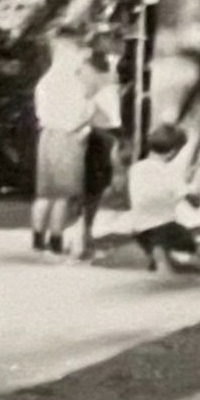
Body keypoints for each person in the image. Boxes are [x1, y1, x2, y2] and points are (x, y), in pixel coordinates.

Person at [30, 27, 99, 256]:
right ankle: (56, 240)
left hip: (47, 136)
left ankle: (37, 238)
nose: (81, 63)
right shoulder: (72, 84)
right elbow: (74, 118)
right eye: (79, 57)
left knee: (44, 193)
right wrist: (89, 112)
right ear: (68, 54)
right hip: (67, 139)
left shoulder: (45, 82)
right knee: (62, 195)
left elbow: (42, 114)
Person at [126, 121, 200, 274]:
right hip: (165, 229)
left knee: (163, 246)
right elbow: (195, 203)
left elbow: (150, 195)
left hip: (138, 230)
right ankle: (163, 260)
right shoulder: (170, 172)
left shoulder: (136, 169)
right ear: (172, 152)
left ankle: (160, 258)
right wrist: (197, 180)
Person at [78, 39, 126, 260]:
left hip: (107, 131)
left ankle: (85, 232)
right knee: (90, 186)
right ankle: (81, 235)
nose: (115, 57)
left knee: (97, 187)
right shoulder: (89, 72)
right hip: (95, 131)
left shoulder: (110, 74)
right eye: (112, 54)